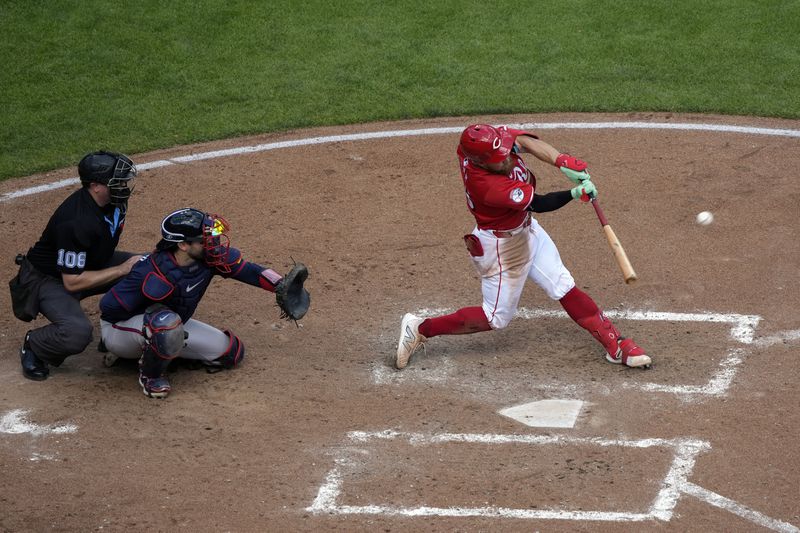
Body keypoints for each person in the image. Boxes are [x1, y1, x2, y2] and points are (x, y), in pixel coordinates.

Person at [395, 124, 651, 370]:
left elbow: (524, 142)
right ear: (481, 163)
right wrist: (574, 194)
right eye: (497, 157)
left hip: (527, 229)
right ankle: (419, 328)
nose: (506, 156)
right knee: (495, 318)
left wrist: (562, 161)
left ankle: (615, 345)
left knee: (562, 284)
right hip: (503, 248)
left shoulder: (478, 145)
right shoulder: (488, 187)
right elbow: (539, 204)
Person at [99, 207, 306, 399]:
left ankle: (164, 347)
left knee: (230, 353)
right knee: (165, 325)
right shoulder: (150, 271)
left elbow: (248, 270)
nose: (212, 243)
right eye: (204, 239)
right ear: (183, 245)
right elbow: (108, 308)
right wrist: (141, 328)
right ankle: (151, 376)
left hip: (171, 325)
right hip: (120, 330)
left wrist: (280, 285)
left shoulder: (209, 258)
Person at [11, 151, 142, 381]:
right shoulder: (76, 221)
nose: (123, 185)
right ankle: (35, 345)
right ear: (96, 186)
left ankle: (116, 333)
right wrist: (121, 270)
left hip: (91, 263)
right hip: (48, 279)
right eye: (116, 180)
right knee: (77, 333)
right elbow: (72, 283)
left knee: (146, 271)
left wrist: (128, 269)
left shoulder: (115, 201)